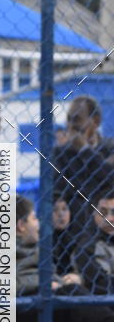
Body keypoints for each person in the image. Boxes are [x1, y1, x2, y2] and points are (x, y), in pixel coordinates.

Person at [15, 195, 114, 322]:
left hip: (45, 296)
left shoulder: (35, 247)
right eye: (34, 218)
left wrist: (60, 281)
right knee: (73, 292)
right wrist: (44, 283)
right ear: (21, 225)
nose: (39, 223)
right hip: (23, 306)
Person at [52, 95, 112, 238]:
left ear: (95, 121)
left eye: (77, 119)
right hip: (73, 234)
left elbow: (109, 178)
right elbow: (60, 193)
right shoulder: (60, 154)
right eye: (69, 119)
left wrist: (85, 150)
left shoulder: (110, 148)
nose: (71, 126)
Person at [72, 191, 114, 295]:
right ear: (94, 213)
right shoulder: (87, 246)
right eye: (103, 213)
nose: (109, 219)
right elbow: (101, 284)